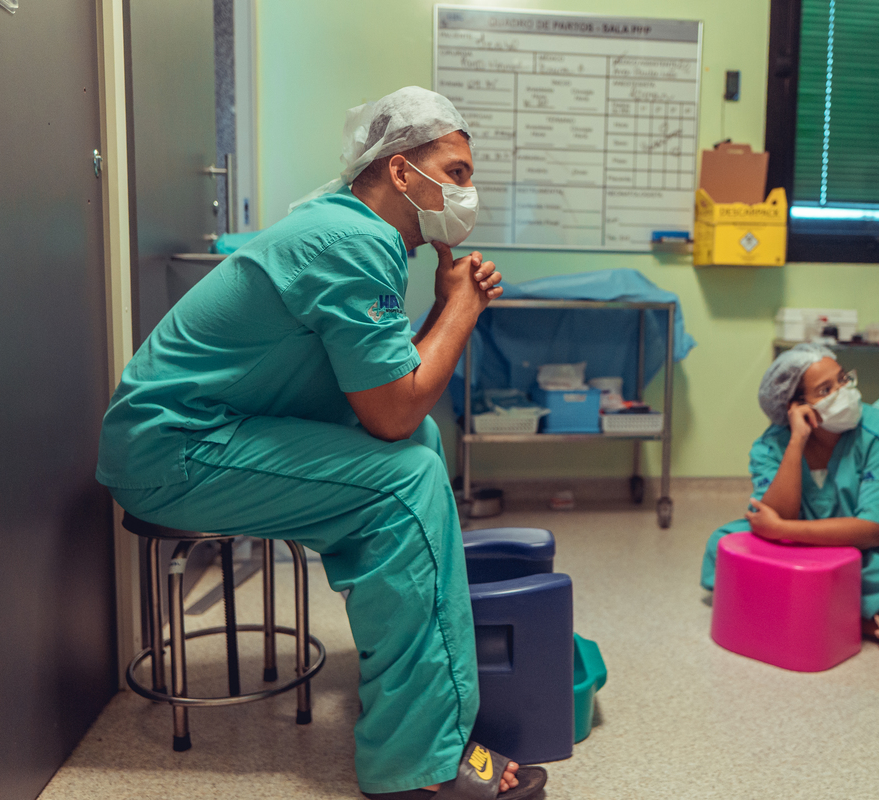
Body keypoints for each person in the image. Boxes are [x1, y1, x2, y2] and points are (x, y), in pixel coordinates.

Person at [96, 86, 546, 799]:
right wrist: (461, 308)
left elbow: (388, 388)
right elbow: (389, 415)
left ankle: (408, 690)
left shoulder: (354, 232)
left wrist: (437, 303)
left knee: (422, 449)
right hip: (176, 450)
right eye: (456, 172)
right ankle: (417, 767)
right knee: (408, 479)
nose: (469, 191)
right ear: (402, 172)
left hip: (205, 433)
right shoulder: (354, 241)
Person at [699, 343, 879, 651]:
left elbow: (875, 530)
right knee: (721, 545)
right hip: (804, 548)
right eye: (825, 389)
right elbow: (776, 513)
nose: (843, 392)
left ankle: (796, 602)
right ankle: (865, 621)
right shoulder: (771, 446)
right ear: (796, 406)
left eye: (843, 379)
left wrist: (782, 531)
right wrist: (797, 442)